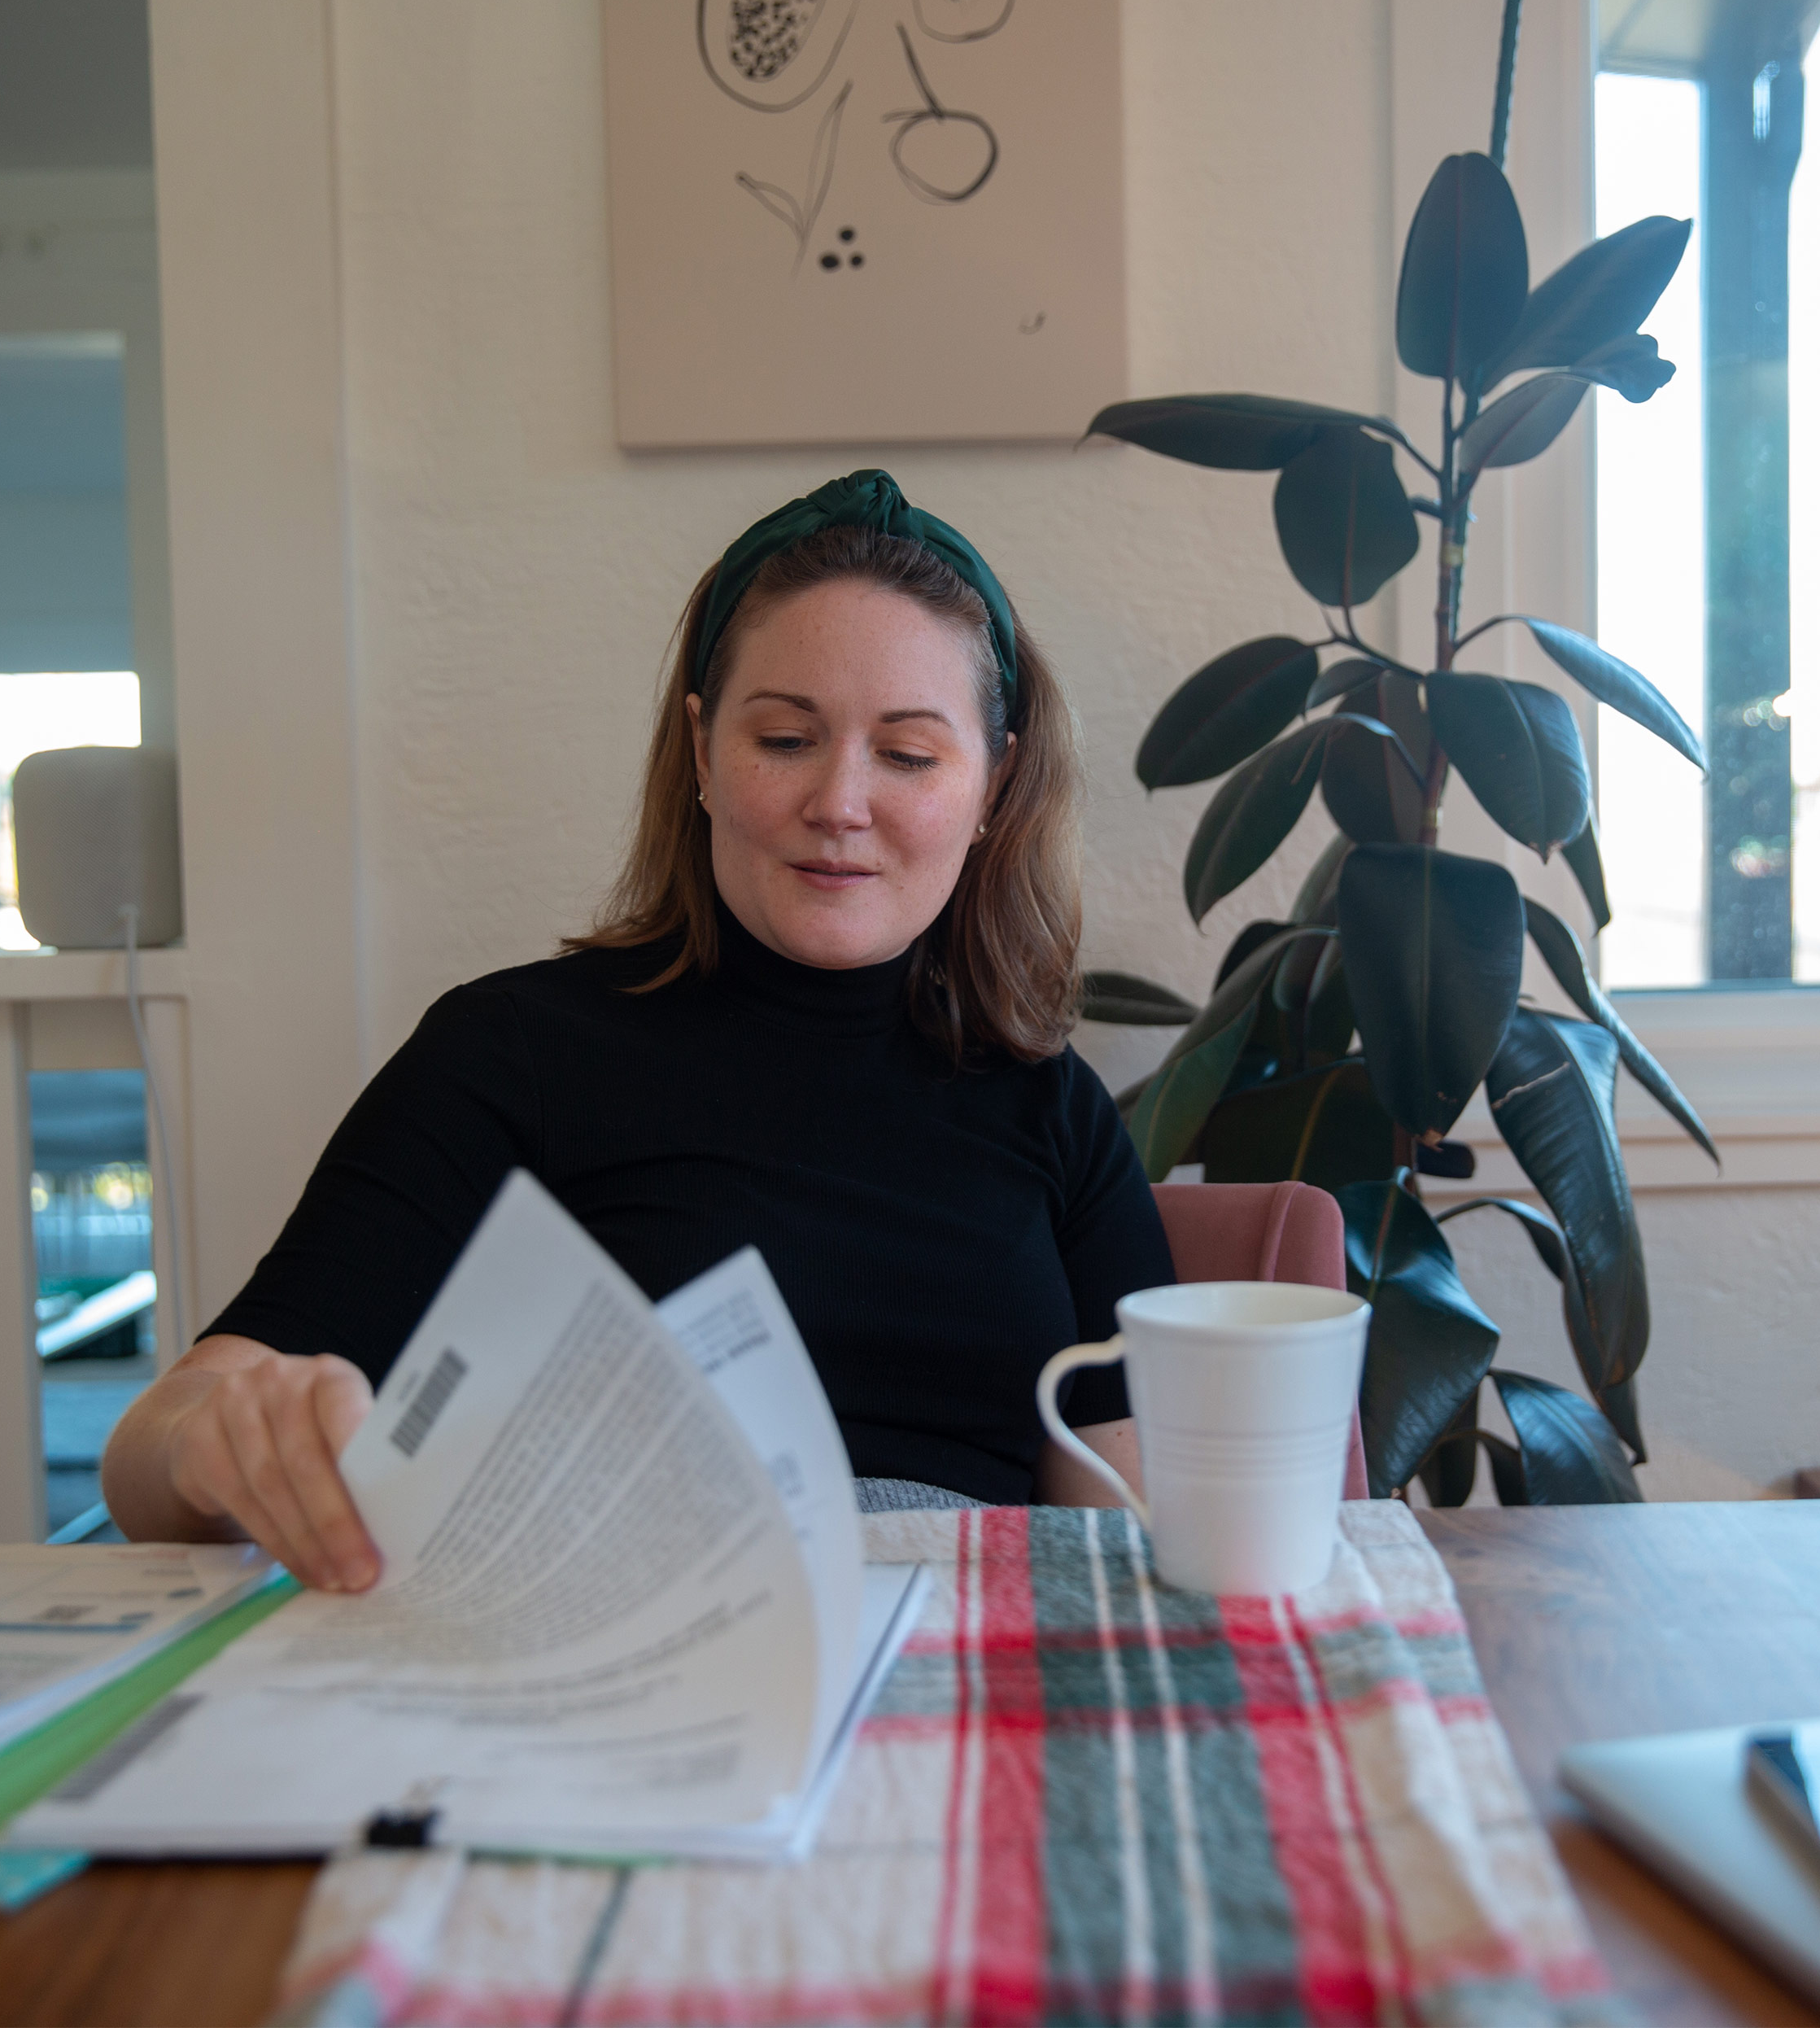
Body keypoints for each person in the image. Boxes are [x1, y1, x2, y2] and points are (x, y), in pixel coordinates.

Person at [101, 471, 1172, 1590]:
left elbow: (1140, 1535)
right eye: (785, 739)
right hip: (611, 1667)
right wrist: (213, 1444)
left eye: (908, 755)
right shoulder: (508, 1052)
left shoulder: (1052, 1107)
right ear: (704, 751)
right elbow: (149, 1459)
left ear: (991, 783)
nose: (842, 804)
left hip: (960, 1671)